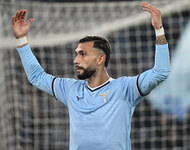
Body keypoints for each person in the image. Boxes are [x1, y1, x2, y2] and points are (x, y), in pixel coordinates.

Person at [12, 2, 170, 150]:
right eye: (76, 54)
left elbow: (160, 72)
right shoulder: (70, 89)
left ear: (100, 59)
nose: (75, 60)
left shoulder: (125, 88)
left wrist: (159, 30)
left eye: (83, 54)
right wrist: (21, 39)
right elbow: (36, 77)